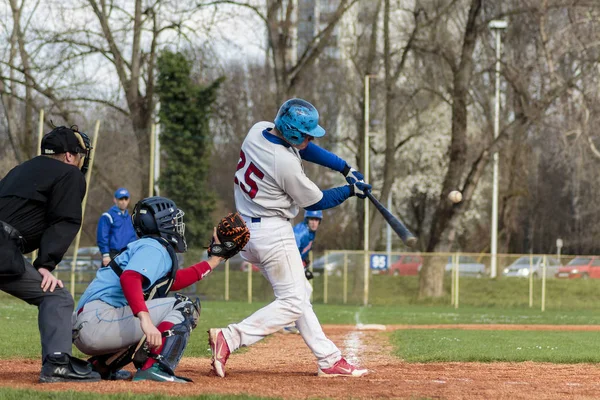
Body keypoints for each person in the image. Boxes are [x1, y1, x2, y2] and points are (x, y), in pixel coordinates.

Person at [208, 98, 371, 378]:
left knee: (296, 296)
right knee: (295, 300)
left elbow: (305, 150)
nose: (309, 138)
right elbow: (317, 200)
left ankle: (329, 359)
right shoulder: (284, 163)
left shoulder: (258, 129)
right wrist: (350, 191)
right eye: (306, 134)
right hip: (273, 234)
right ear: (294, 133)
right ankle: (231, 337)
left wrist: (344, 168)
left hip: (246, 229)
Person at [72, 197, 244, 383]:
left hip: (90, 324)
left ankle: (101, 366)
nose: (176, 224)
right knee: (183, 307)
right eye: (171, 220)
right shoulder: (155, 246)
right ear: (159, 223)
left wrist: (214, 260)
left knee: (150, 315)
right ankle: (155, 368)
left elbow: (172, 281)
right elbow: (129, 278)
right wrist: (145, 320)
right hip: (98, 322)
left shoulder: (148, 246)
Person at [0, 126, 101, 383]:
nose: (80, 161)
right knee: (56, 297)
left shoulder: (19, 170)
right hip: (2, 248)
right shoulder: (69, 174)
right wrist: (45, 264)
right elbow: (64, 220)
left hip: (5, 248)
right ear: (69, 156)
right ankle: (57, 365)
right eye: (79, 155)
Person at [282, 210, 323, 334]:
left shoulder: (311, 232)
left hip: (294, 264)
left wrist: (304, 263)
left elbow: (300, 252)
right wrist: (302, 268)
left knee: (304, 290)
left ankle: (293, 322)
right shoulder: (300, 233)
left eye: (316, 220)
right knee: (299, 292)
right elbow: (290, 253)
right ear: (307, 220)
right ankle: (290, 323)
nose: (314, 222)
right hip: (287, 263)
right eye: (312, 219)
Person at [97, 187, 137, 266]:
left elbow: (133, 237)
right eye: (121, 199)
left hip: (127, 255)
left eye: (126, 199)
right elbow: (102, 236)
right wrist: (105, 254)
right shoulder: (108, 216)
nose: (123, 202)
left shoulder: (130, 218)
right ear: (115, 200)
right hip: (112, 255)